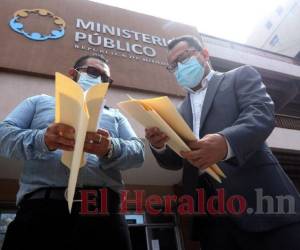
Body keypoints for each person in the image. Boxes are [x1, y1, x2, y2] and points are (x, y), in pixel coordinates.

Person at [145, 35, 300, 250]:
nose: (180, 67)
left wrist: (226, 142)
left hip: (262, 201)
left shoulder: (239, 76)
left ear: (205, 54)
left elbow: (261, 113)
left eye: (183, 58)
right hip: (210, 215)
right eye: (173, 66)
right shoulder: (179, 111)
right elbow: (175, 161)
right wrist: (159, 145)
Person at [0, 55, 145, 250]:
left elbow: (138, 153)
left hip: (103, 214)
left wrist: (110, 148)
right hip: (40, 211)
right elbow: (3, 136)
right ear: (72, 74)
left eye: (105, 79)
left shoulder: (116, 116)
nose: (99, 80)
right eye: (93, 72)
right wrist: (42, 139)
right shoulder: (37, 102)